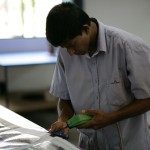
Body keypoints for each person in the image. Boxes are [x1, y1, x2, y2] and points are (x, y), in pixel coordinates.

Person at [46, 2, 150, 150]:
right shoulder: (66, 53)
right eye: (64, 47)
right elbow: (64, 97)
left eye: (72, 45)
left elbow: (147, 99)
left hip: (127, 145)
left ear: (86, 29)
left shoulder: (129, 47)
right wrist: (64, 119)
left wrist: (112, 117)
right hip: (88, 145)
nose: (70, 52)